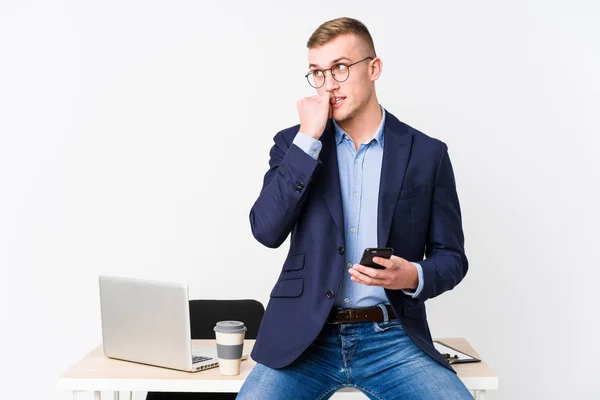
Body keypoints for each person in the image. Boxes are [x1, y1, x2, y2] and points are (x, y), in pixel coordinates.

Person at [238, 17, 472, 400]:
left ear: (374, 68)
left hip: (392, 337)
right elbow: (265, 229)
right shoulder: (293, 144)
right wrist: (308, 139)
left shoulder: (427, 154)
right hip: (305, 338)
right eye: (317, 72)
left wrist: (411, 275)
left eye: (340, 68)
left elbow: (452, 258)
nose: (329, 84)